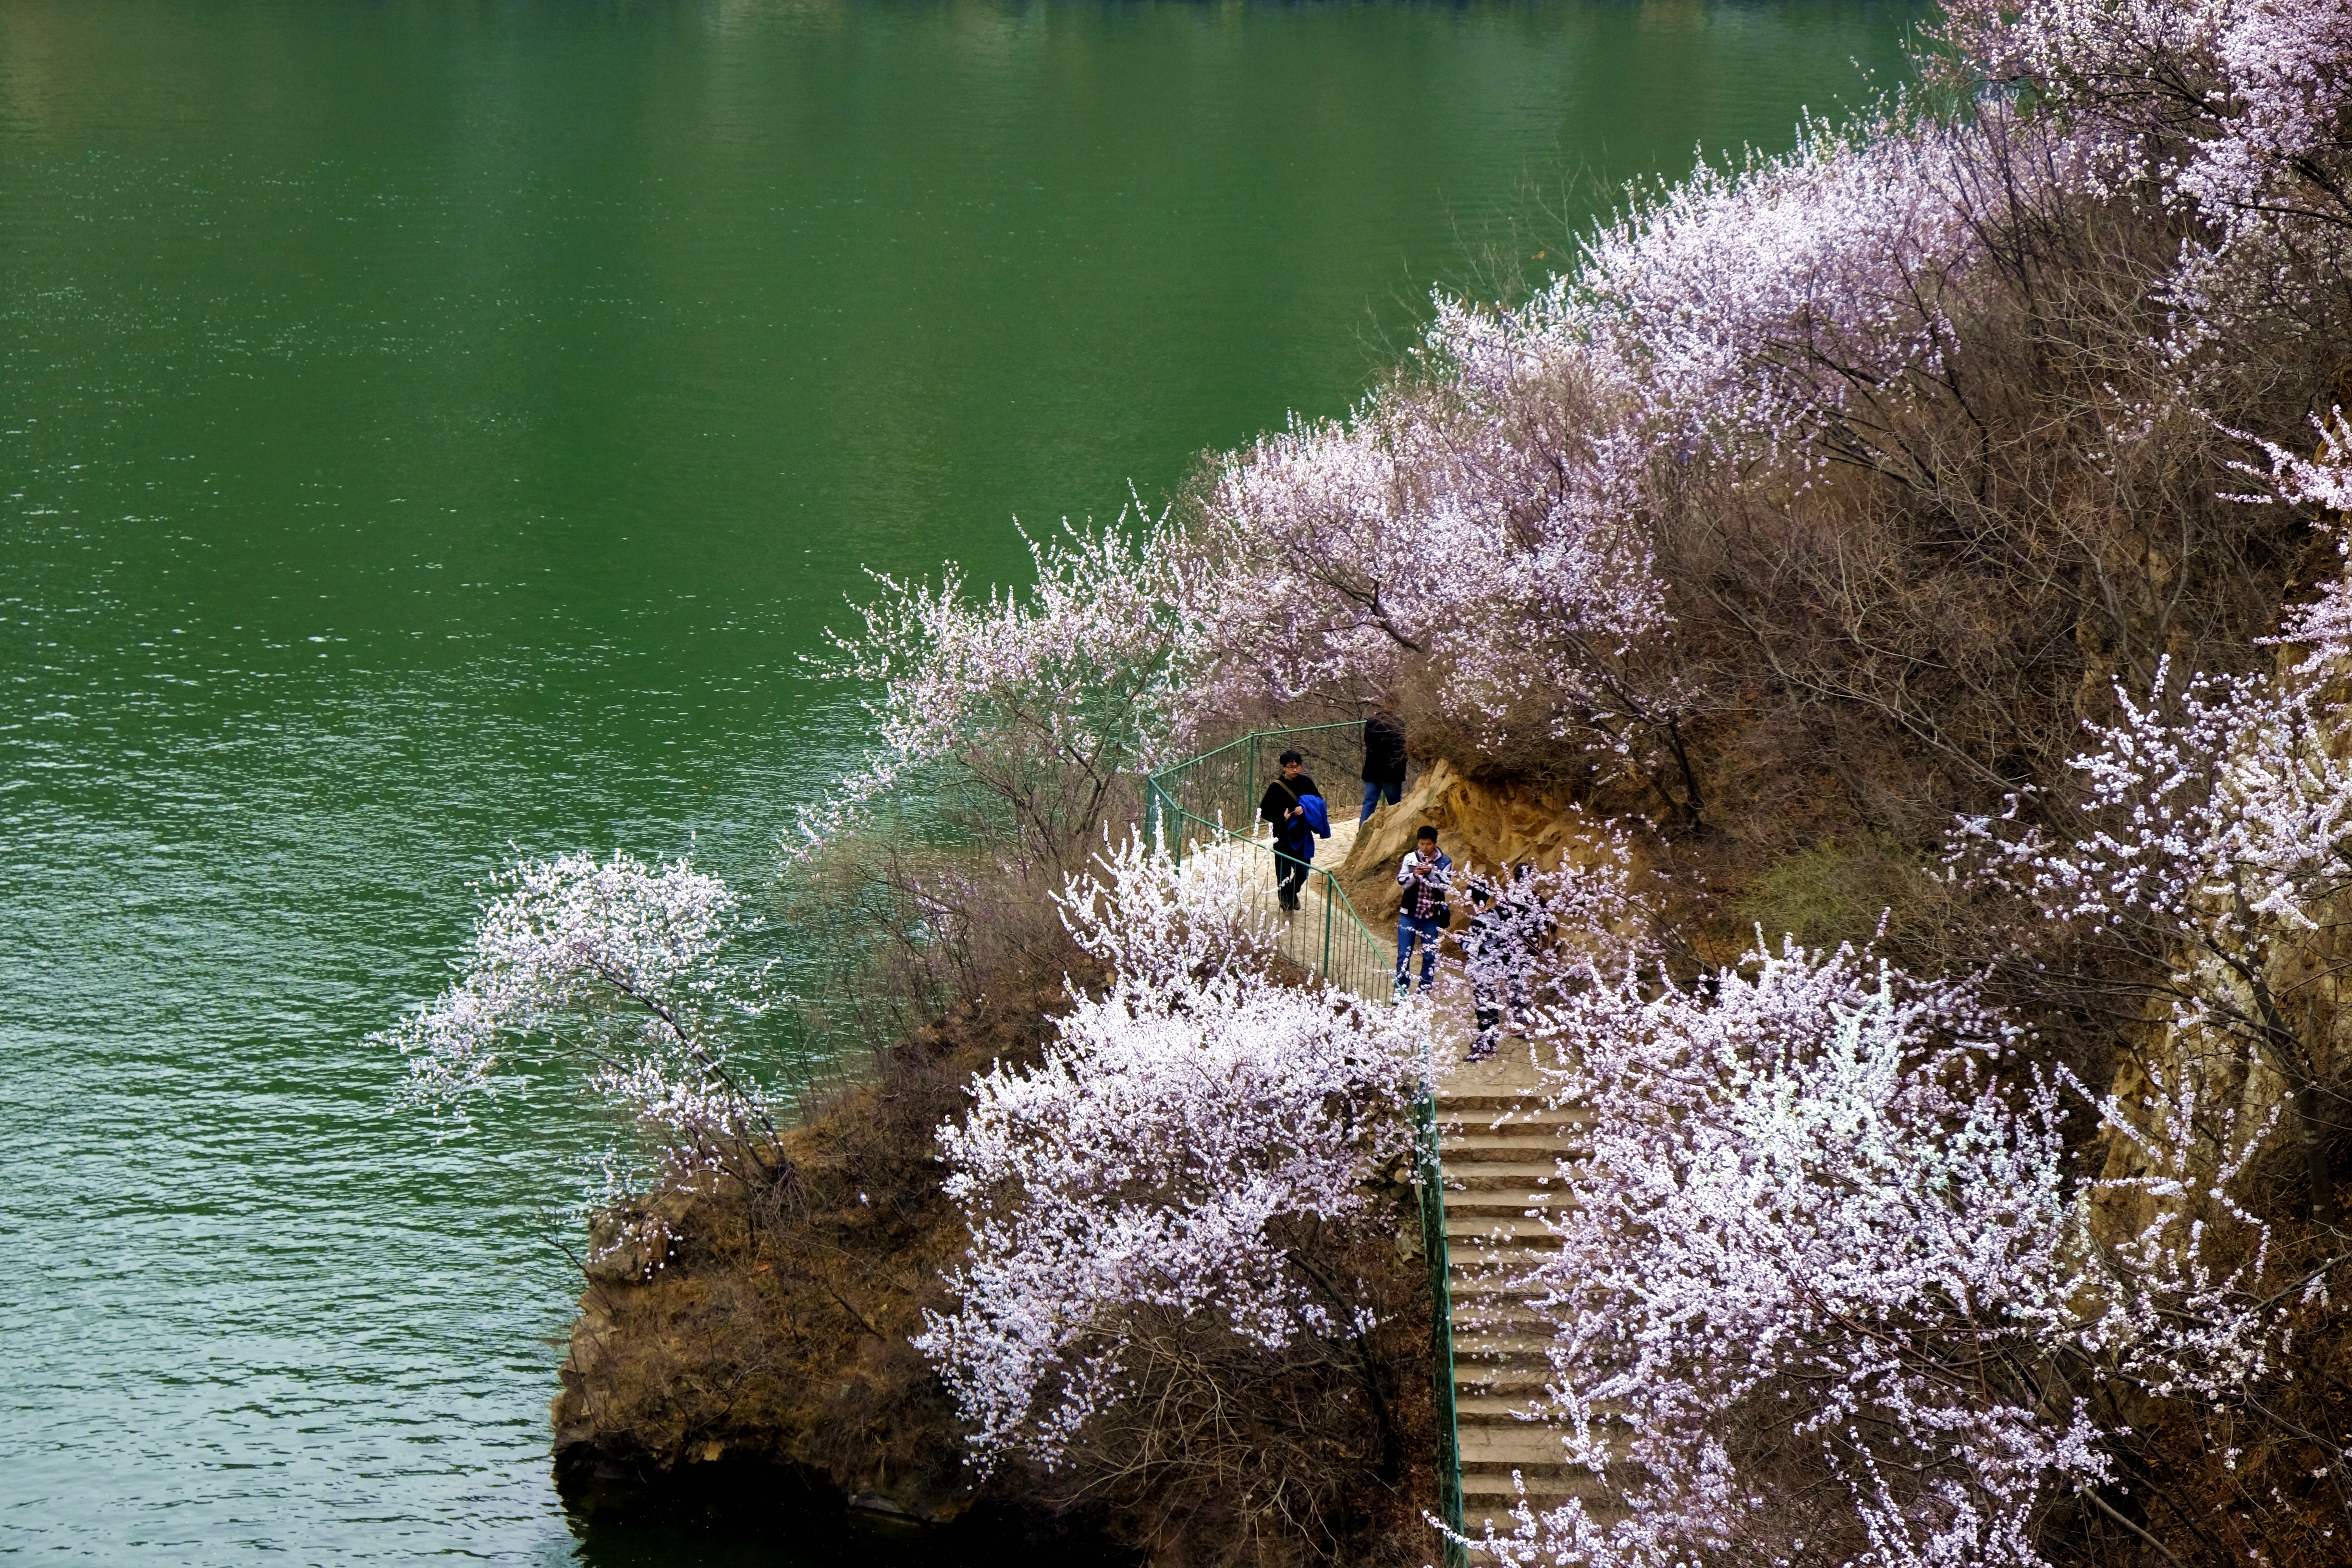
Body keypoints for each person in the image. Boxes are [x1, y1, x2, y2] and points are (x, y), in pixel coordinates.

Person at [1257, 749, 1323, 913]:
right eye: (1291, 767)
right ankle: (1286, 903)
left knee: (1303, 871)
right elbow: (1264, 810)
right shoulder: (1276, 787)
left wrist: (1305, 808)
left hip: (1302, 834)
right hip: (1282, 836)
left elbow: (1319, 801)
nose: (1295, 770)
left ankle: (1291, 894)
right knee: (1284, 873)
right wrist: (1282, 817)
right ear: (1283, 768)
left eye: (1298, 766)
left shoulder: (1307, 782)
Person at [1395, 825, 1451, 993]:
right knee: (1404, 954)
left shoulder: (1445, 862)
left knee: (1430, 955)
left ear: (1435, 843)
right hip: (1409, 914)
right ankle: (1401, 989)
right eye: (1422, 844)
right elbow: (1402, 882)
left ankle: (1424, 989)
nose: (1425, 848)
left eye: (1428, 844)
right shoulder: (1410, 858)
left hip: (1432, 916)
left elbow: (1444, 886)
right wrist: (1415, 876)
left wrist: (1432, 873)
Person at [1462, 875, 1508, 1061]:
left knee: (1484, 1008)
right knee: (1490, 1003)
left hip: (1482, 968)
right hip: (1494, 965)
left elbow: (1473, 948)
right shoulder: (1495, 916)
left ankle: (1485, 1047)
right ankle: (1488, 1041)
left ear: (1472, 897)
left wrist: (1461, 942)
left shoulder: (1479, 921)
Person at [1360, 702, 1407, 821]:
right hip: (1391, 771)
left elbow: (1367, 742)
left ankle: (1362, 832)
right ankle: (1395, 829)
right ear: (1397, 706)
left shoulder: (1371, 722)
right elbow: (1402, 748)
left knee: (1369, 802)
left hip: (1372, 768)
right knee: (1395, 804)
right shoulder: (1399, 724)